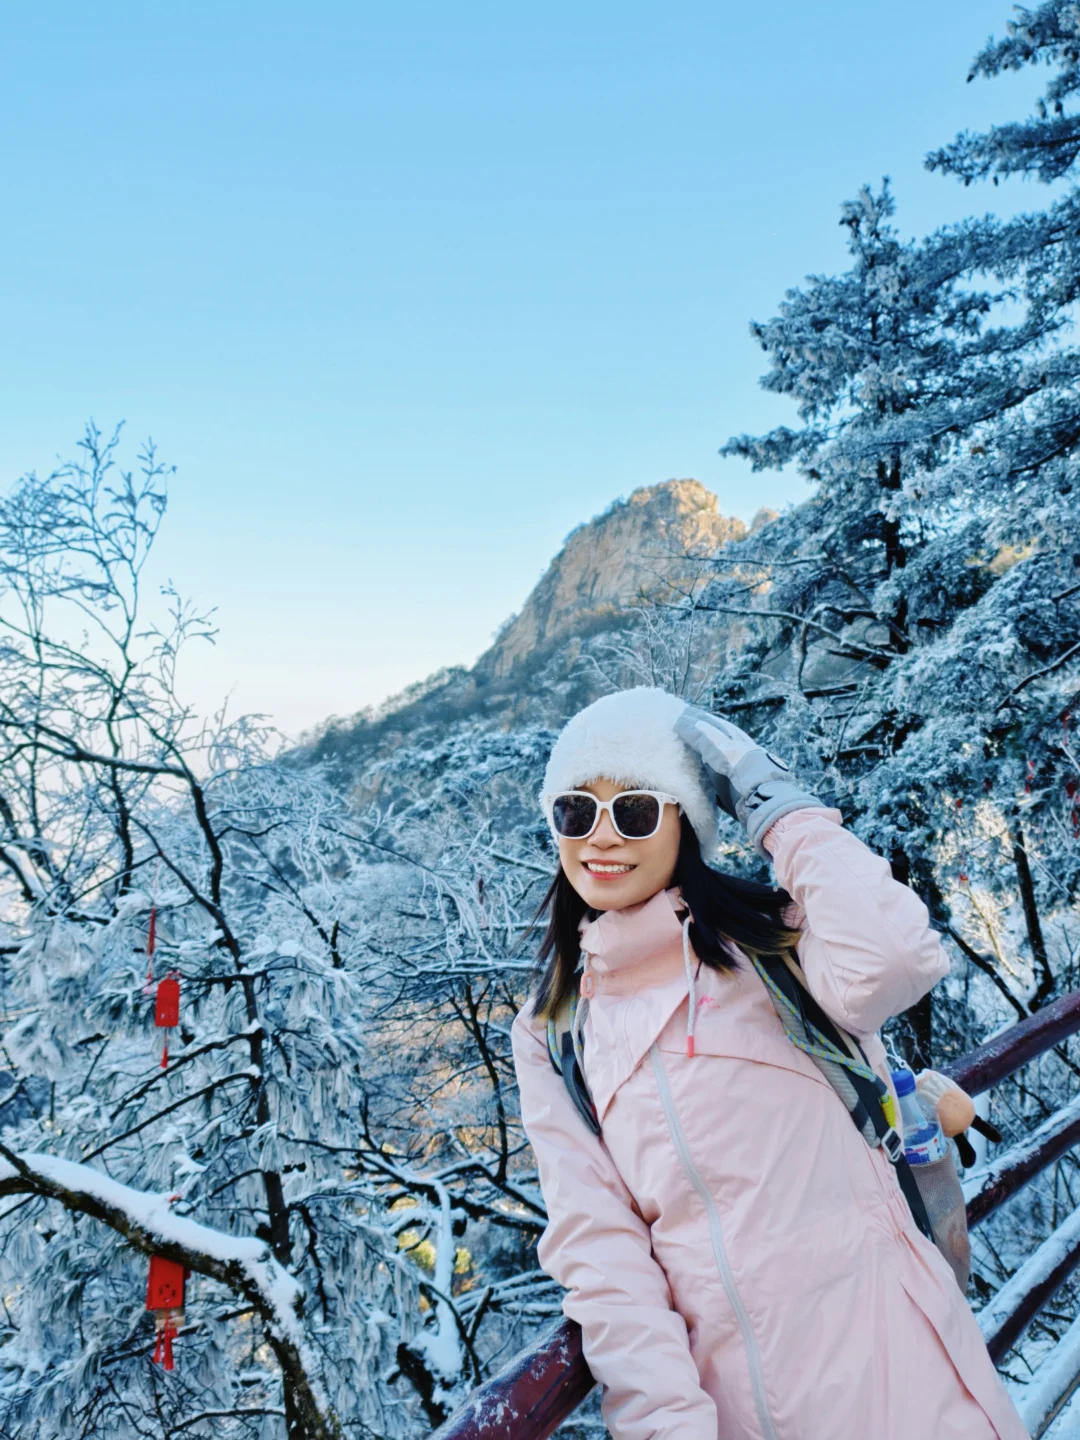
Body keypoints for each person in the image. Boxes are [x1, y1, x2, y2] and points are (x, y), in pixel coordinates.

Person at [511, 686, 1028, 1440]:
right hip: (740, 1416)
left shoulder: (774, 945)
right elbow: (599, 1248)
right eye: (574, 813)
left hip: (907, 1380)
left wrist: (777, 807)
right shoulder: (556, 1027)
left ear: (685, 819)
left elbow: (897, 960)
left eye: (635, 810)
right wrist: (666, 1425)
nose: (602, 838)